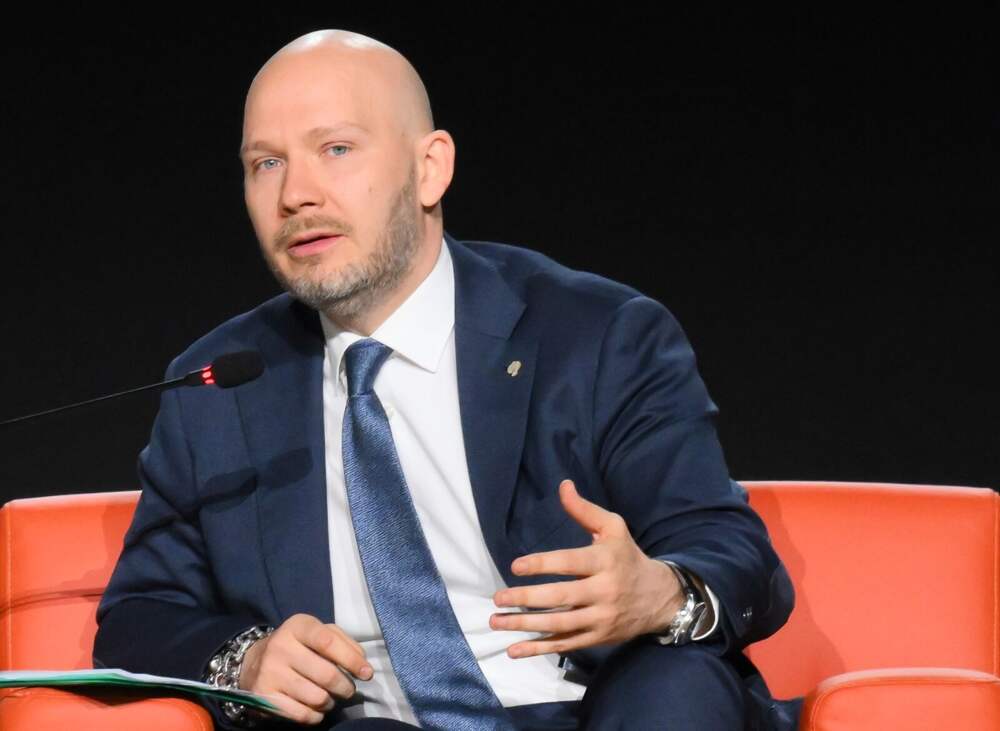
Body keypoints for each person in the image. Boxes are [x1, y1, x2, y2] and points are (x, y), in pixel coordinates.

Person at [94, 29, 800, 730]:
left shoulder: (597, 335)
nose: (296, 195)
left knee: (677, 684)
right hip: (370, 723)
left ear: (429, 168)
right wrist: (245, 660)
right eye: (266, 163)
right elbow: (139, 617)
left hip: (597, 708)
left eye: (335, 149)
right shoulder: (221, 387)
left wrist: (661, 594)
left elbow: (735, 555)